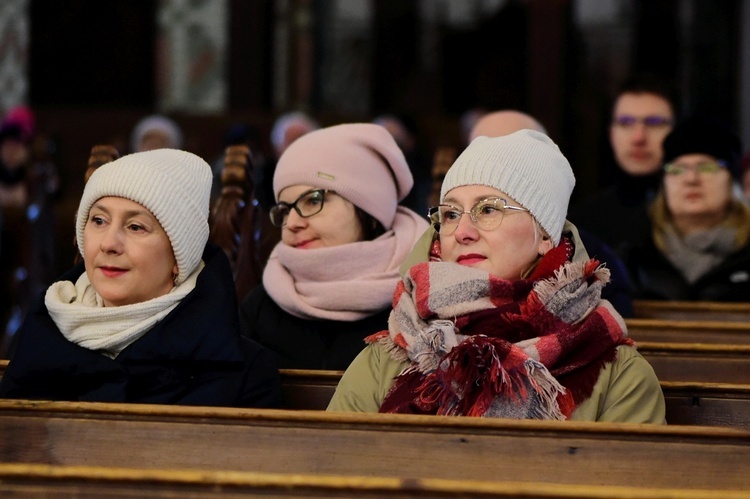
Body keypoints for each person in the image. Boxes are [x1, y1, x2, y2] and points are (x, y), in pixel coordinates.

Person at [328, 130, 665, 423]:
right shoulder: (392, 351)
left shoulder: (619, 374)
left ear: (545, 234)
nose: (462, 232)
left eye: (488, 209)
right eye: (450, 214)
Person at [0, 148, 283, 407]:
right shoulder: (42, 333)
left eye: (136, 227)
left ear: (178, 257)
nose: (109, 243)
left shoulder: (244, 373)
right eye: (98, 221)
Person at [239, 123, 430, 370]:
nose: (293, 223)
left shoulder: (426, 299)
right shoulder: (261, 306)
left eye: (313, 200)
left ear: (370, 210)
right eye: (285, 210)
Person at [467, 109, 635, 317]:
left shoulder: (597, 267)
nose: (495, 172)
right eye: (480, 157)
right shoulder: (438, 250)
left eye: (513, 159)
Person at [623, 115, 750, 301]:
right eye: (677, 169)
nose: (691, 179)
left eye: (707, 168)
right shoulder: (632, 259)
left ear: (732, 182)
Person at [569, 74, 678, 257]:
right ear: (611, 133)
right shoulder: (581, 224)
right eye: (626, 123)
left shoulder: (697, 213)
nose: (638, 137)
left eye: (654, 123)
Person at [0, 106, 60, 355]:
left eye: (18, 146)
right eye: (7, 146)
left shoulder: (37, 177)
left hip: (27, 265)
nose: (12, 152)